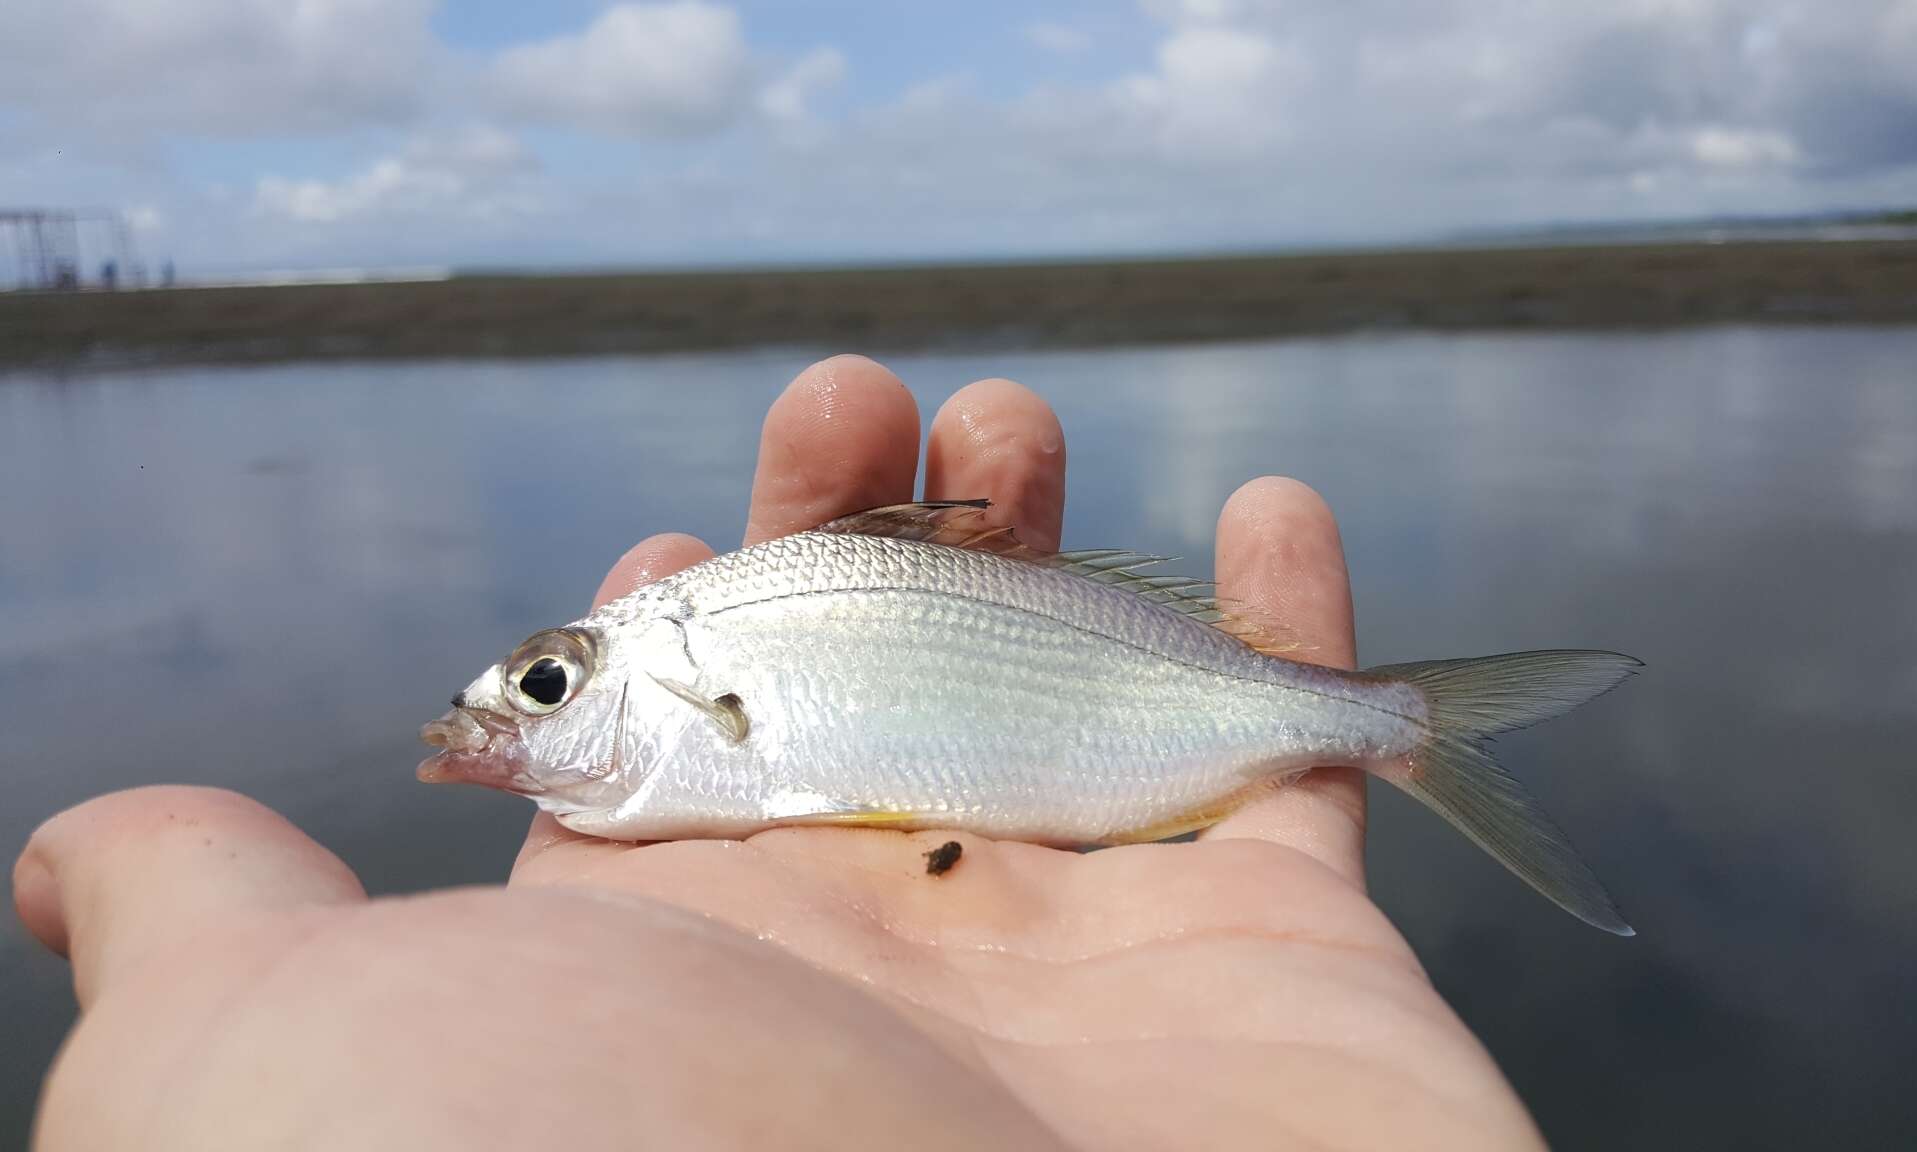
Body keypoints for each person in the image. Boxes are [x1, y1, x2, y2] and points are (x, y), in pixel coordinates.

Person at [13, 356, 1548, 1150]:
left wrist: (1357, 712)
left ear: (666, 679)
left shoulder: (707, 637)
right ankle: (1388, 719)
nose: (504, 716)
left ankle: (1395, 722)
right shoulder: (691, 678)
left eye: (543, 685)